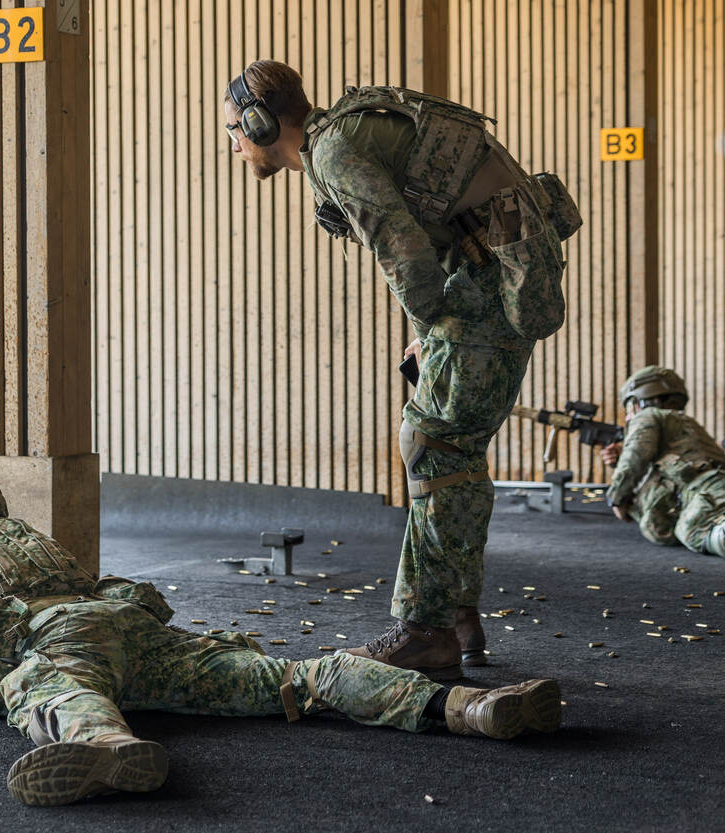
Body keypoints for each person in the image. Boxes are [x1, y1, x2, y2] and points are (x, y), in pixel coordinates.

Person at [0, 461, 562, 807]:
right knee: (292, 677)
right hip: (129, 628)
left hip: (59, 645)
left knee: (53, 686)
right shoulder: (33, 538)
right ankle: (463, 705)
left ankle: (106, 748)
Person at [224, 60, 579, 677]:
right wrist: (432, 331)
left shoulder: (333, 151)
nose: (232, 144)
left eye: (233, 129)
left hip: (489, 283)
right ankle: (454, 611)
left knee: (436, 443)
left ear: (260, 124)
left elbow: (406, 255)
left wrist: (429, 328)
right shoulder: (344, 135)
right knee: (447, 443)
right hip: (493, 276)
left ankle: (428, 629)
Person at [600, 366, 725, 556]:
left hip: (710, 495)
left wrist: (616, 497)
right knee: (692, 529)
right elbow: (658, 515)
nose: (627, 417)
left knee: (696, 529)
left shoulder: (648, 416)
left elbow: (635, 456)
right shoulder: (682, 428)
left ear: (639, 401)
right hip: (708, 495)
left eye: (628, 408)